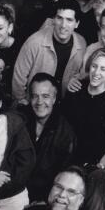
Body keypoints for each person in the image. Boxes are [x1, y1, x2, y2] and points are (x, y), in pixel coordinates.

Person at [64, 48, 105, 170]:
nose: (96, 72)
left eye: (103, 69)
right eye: (94, 66)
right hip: (66, 157)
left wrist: (99, 167)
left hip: (92, 165)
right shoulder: (76, 89)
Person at [21, 73, 77, 202]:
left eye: (45, 96)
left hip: (41, 199)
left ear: (54, 98)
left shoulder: (65, 133)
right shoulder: (21, 119)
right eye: (35, 96)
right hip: (15, 192)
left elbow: (63, 177)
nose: (39, 102)